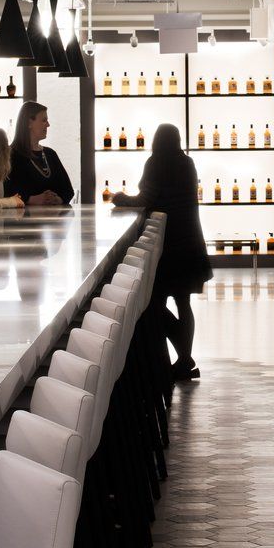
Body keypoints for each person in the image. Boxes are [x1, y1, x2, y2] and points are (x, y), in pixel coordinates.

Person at [110, 123, 211, 383]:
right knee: (183, 303)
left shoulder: (156, 163)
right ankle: (184, 360)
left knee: (153, 303)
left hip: (169, 247)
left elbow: (146, 198)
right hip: (190, 242)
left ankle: (179, 359)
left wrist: (120, 198)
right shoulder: (187, 163)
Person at [5, 101, 74, 207]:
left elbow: (68, 190)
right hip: (22, 217)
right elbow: (4, 190)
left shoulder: (50, 154)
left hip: (53, 216)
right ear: (29, 123)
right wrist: (30, 199)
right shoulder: (10, 155)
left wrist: (57, 199)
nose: (48, 125)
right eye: (44, 120)